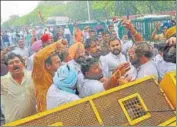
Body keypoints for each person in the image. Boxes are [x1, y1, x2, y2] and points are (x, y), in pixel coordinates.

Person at [1, 53, 36, 123]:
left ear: (22, 63)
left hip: (34, 119)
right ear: (7, 67)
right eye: (11, 63)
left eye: (17, 61)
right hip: (15, 123)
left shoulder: (32, 76)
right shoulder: (2, 81)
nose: (15, 64)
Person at [32, 39, 63, 112]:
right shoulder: (40, 76)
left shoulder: (58, 75)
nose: (60, 64)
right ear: (48, 66)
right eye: (57, 62)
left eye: (60, 62)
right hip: (45, 112)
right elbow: (38, 57)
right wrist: (55, 45)